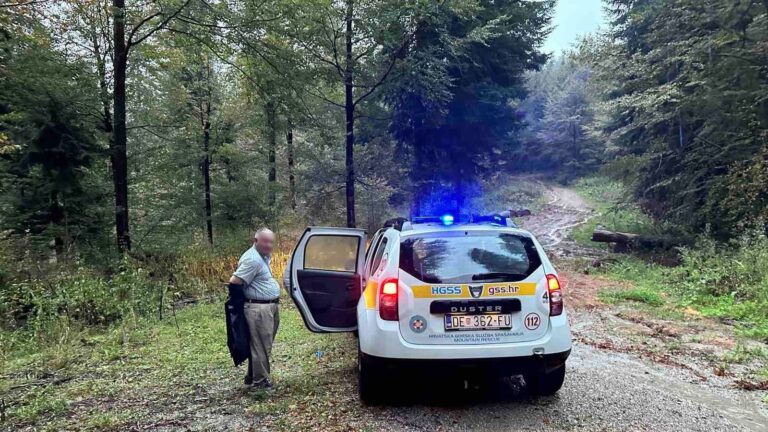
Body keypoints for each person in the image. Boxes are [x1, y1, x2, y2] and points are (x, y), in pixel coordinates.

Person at [229, 228, 281, 389]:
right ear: (255, 241)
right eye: (265, 241)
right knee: (261, 347)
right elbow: (235, 282)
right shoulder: (252, 259)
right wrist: (238, 306)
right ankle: (260, 383)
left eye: (271, 242)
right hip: (258, 308)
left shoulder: (262, 257)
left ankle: (252, 376)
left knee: (261, 345)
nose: (269, 245)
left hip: (267, 306)